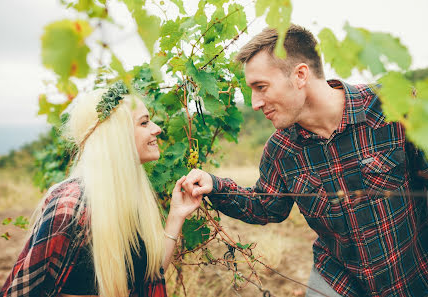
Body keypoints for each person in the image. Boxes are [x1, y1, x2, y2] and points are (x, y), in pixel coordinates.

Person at [182, 25, 428, 297]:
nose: (255, 103)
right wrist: (214, 186)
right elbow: (266, 206)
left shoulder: (392, 107)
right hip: (338, 282)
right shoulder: (281, 150)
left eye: (261, 87)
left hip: (413, 274)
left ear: (300, 75)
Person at [0, 81, 202, 297]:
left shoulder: (132, 196)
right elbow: (21, 290)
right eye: (144, 123)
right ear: (117, 135)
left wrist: (176, 215)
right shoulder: (72, 203)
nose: (157, 129)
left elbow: (149, 275)